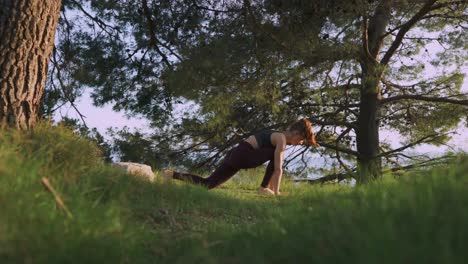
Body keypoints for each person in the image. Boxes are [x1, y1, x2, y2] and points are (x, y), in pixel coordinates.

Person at [163, 119, 320, 195]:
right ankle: (264, 188)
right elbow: (278, 169)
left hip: (236, 154)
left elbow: (274, 167)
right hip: (243, 155)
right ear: (296, 133)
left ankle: (171, 174)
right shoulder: (281, 139)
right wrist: (277, 192)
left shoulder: (278, 137)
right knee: (276, 156)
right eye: (300, 140)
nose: (299, 144)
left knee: (208, 184)